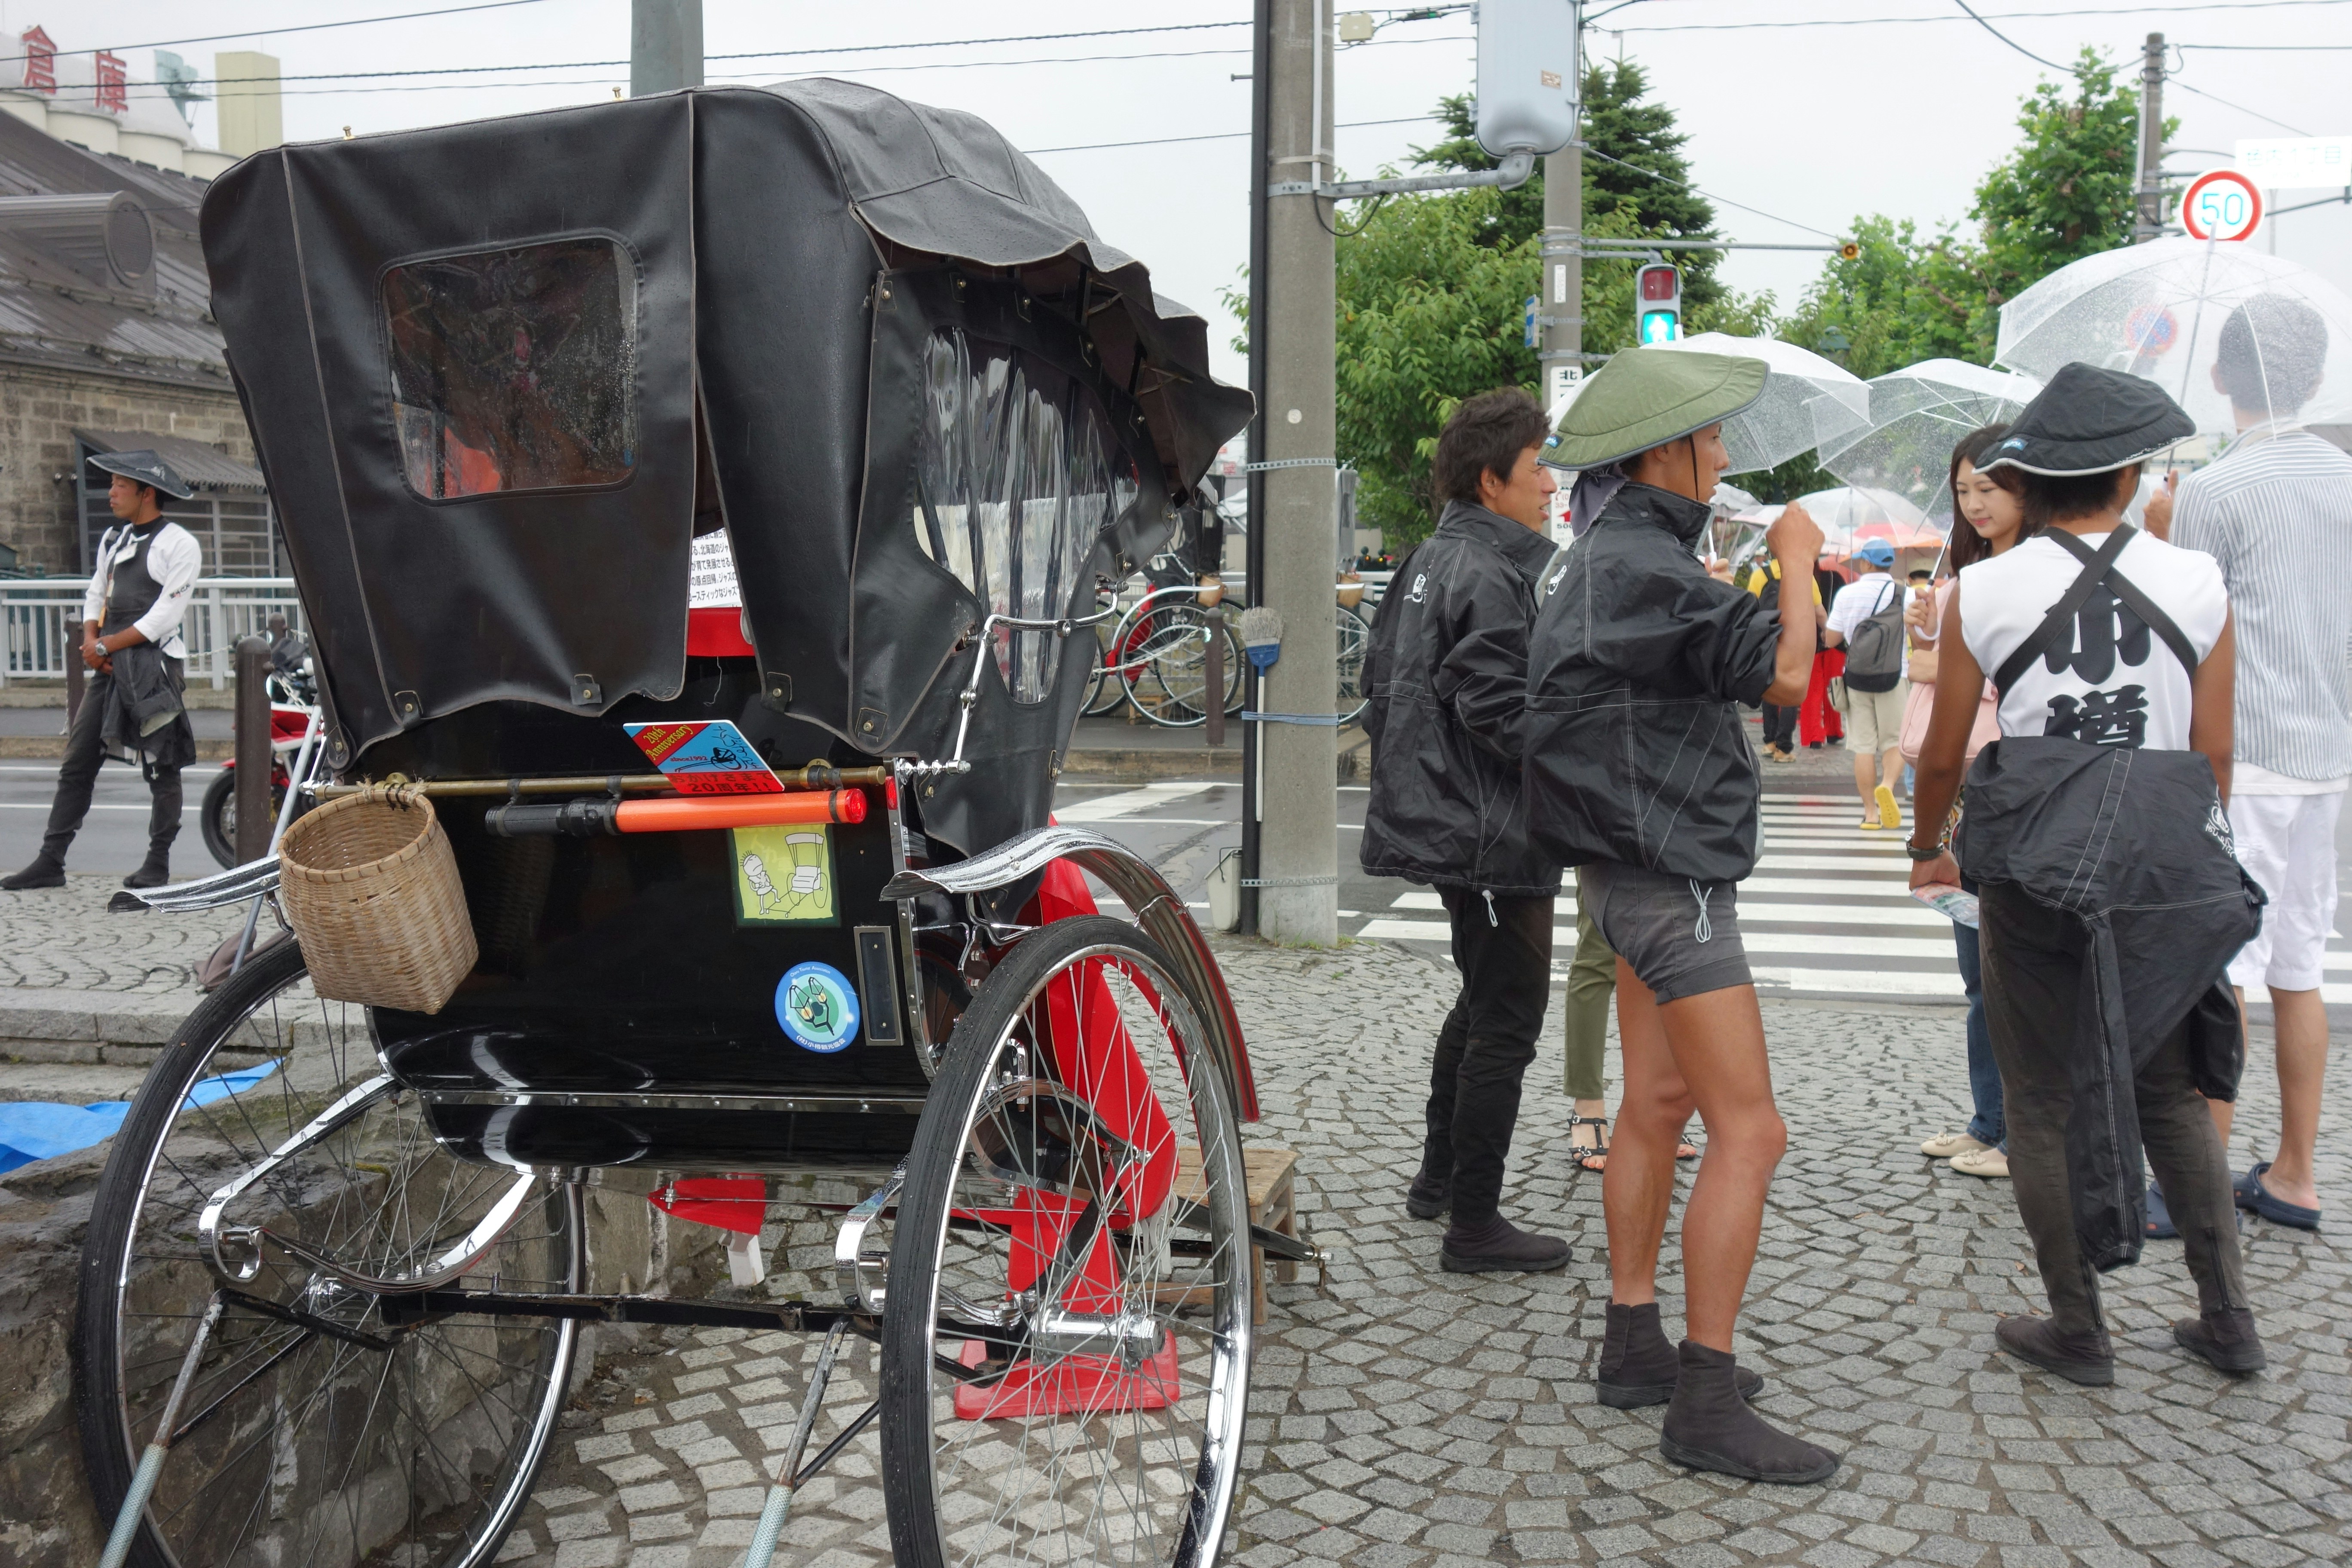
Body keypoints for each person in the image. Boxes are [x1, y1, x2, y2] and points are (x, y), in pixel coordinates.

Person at [1908, 364, 2264, 1385]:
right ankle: (2227, 1319)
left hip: (2034, 857)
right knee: (2169, 1090)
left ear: (2029, 479)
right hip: (2160, 857)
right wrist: (2187, 851)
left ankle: (2078, 1326)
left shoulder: (1981, 589)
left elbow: (1944, 754)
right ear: (2128, 476)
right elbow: (2215, 750)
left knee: (2038, 1097)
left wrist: (1927, 845)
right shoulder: (2195, 581)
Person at [1526, 348, 1838, 1485]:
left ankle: (1633, 1340)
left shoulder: (1593, 558)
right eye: (1709, 438)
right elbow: (1789, 678)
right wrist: (1795, 560)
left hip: (1621, 869)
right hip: (1675, 873)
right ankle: (1704, 1400)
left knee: (1655, 1106)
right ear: (1662, 453)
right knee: (1751, 1130)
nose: (1721, 453)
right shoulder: (1646, 567)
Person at [1359, 388, 1571, 1274]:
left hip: (1456, 819)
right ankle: (1474, 1225)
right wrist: (1580, 758)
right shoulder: (1488, 569)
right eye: (1537, 468)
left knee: (1482, 998)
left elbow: (1377, 684)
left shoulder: (1428, 558)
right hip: (1489, 829)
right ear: (1492, 481)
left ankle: (1438, 1179)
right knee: (1507, 1018)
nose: (1550, 485)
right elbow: (1497, 709)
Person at [2159, 293, 2351, 1234]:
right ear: (2312, 377)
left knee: (2218, 965)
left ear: (2219, 376)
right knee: (2299, 967)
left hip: (2244, 757)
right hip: (2328, 755)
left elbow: (2186, 635)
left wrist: (2165, 528)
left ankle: (2199, 1186)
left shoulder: (2216, 488)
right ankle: (2296, 1175)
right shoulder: (2347, 478)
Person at [1905, 426, 2025, 1181]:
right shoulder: (1967, 578)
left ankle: (2019, 1134)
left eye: (1989, 487)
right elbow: (1934, 675)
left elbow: (2017, 686)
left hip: (2007, 782)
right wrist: (1928, 635)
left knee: (2011, 972)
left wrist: (1940, 659)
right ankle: (1991, 1119)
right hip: (1959, 790)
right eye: (1963, 490)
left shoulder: (2032, 580)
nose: (1975, 503)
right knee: (1977, 970)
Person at [3, 452, 201, 891]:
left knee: (162, 765)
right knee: (77, 760)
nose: (110, 493)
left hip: (153, 667)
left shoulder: (179, 544)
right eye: (111, 484)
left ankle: (158, 862)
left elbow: (164, 617)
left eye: (119, 486)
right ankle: (51, 860)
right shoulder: (115, 538)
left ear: (147, 494)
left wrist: (104, 646)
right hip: (109, 666)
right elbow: (97, 593)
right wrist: (92, 640)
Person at [1821, 537, 1908, 830]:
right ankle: (1888, 785)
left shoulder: (1847, 593)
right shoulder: (1905, 594)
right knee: (1895, 741)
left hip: (1857, 677)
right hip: (1895, 675)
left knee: (1863, 746)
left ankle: (1870, 814)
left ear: (1867, 563)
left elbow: (1832, 639)